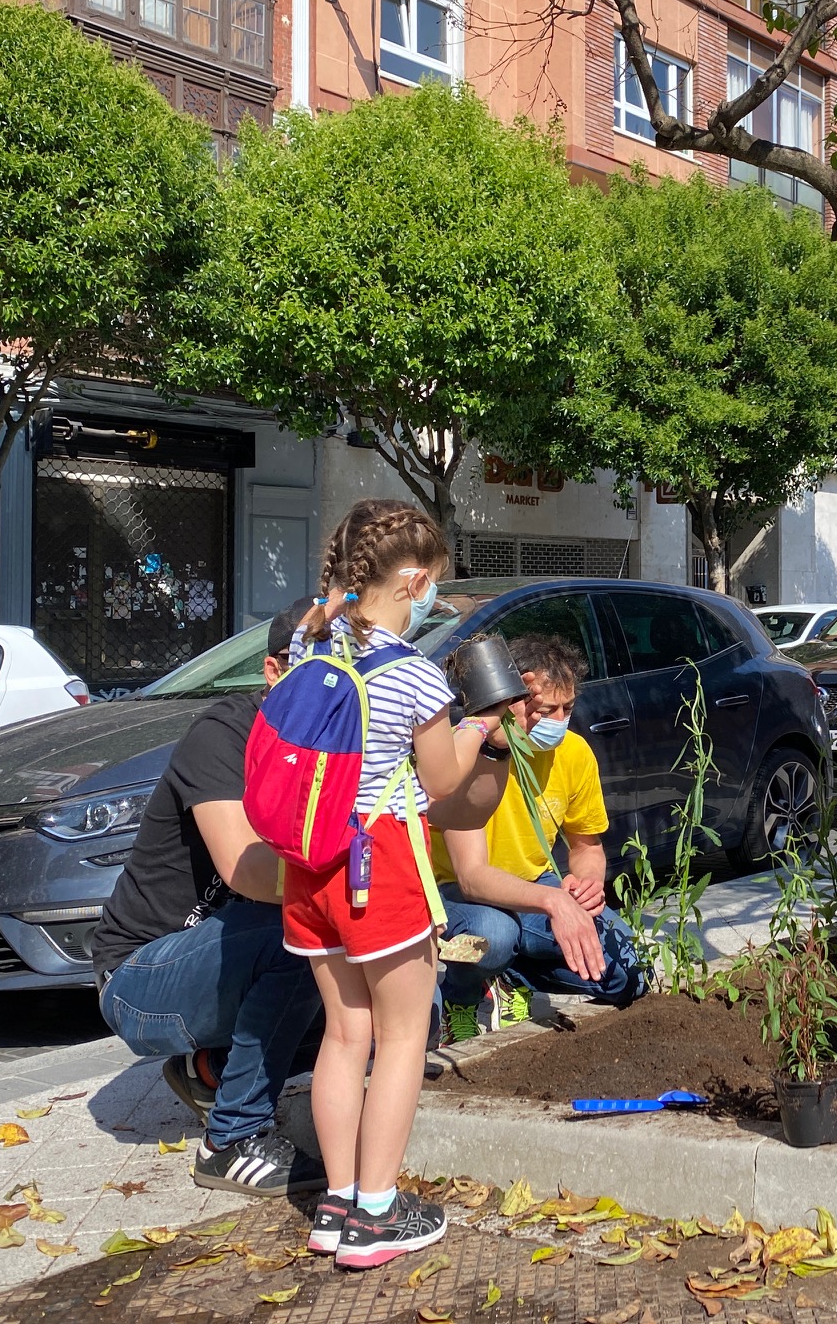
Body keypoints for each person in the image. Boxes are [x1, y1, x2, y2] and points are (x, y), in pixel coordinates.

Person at [283, 500, 516, 1270]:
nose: (433, 599)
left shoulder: (309, 645)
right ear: (414, 581)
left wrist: (338, 600)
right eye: (433, 585)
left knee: (343, 1034)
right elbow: (443, 781)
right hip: (377, 860)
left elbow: (324, 617)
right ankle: (377, 1215)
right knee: (403, 1037)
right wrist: (478, 726)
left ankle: (337, 1204)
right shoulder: (413, 674)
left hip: (310, 860)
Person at [92, 597, 325, 1198]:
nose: (333, 682)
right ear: (274, 670)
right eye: (316, 664)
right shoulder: (226, 733)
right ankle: (232, 1141)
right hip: (140, 974)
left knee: (393, 1006)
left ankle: (211, 1072)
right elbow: (246, 869)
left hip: (225, 957)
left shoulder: (330, 747)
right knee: (309, 936)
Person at [430, 634, 645, 1039]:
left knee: (629, 972)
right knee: (494, 937)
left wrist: (587, 884)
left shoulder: (574, 753)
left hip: (533, 883)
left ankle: (512, 977)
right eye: (546, 710)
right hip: (457, 893)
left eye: (568, 708)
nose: (559, 720)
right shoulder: (468, 748)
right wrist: (554, 902)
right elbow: (472, 878)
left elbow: (586, 845)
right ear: (511, 701)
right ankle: (460, 995)